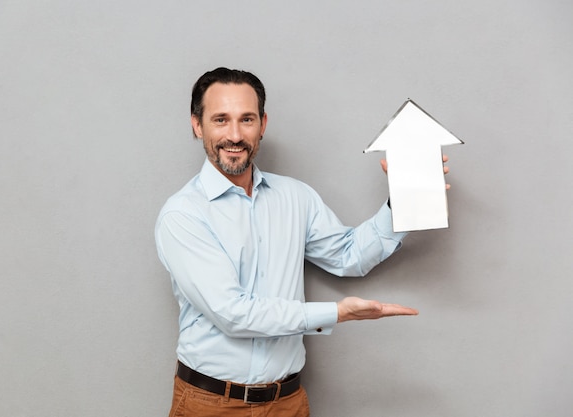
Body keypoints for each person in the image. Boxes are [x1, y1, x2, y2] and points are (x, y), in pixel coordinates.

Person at [155, 67, 449, 416]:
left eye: (246, 119)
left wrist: (404, 200)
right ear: (197, 125)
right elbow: (233, 314)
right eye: (221, 120)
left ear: (262, 125)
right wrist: (336, 314)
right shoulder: (182, 215)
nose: (234, 135)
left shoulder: (296, 197)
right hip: (210, 405)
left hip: (288, 403)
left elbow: (348, 254)